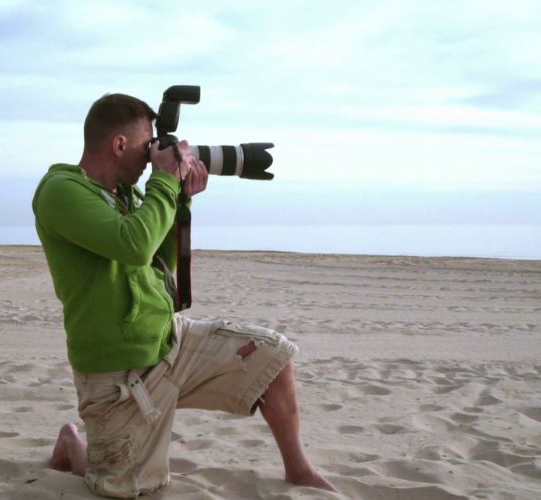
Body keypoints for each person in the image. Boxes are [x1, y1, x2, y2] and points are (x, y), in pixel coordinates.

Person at [32, 93, 336, 498]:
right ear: (119, 145)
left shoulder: (127, 197)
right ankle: (75, 442)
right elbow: (134, 244)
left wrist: (181, 200)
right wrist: (163, 181)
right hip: (119, 377)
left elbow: (158, 263)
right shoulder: (61, 191)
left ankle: (299, 468)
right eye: (147, 147)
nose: (152, 158)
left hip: (169, 343)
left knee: (274, 356)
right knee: (131, 489)